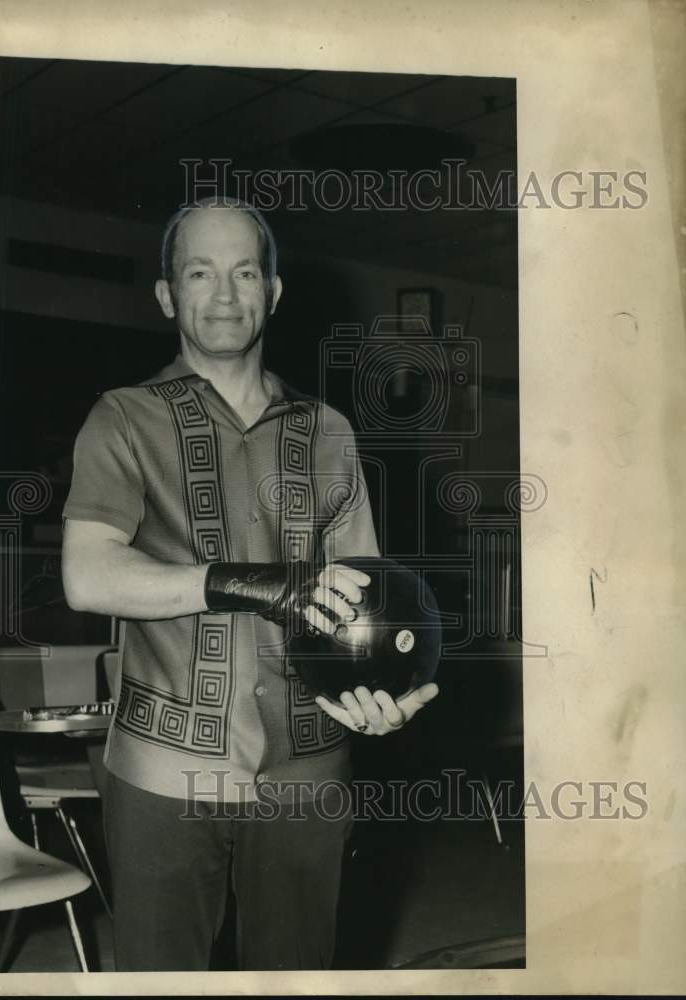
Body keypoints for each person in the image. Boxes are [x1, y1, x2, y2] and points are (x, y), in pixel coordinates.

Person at [61, 197, 439, 971]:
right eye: (200, 272)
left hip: (310, 771)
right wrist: (256, 584)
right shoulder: (123, 419)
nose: (225, 294)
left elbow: (364, 601)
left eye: (245, 273)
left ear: (273, 292)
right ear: (169, 295)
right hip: (166, 773)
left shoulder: (329, 432)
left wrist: (379, 695)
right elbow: (86, 573)